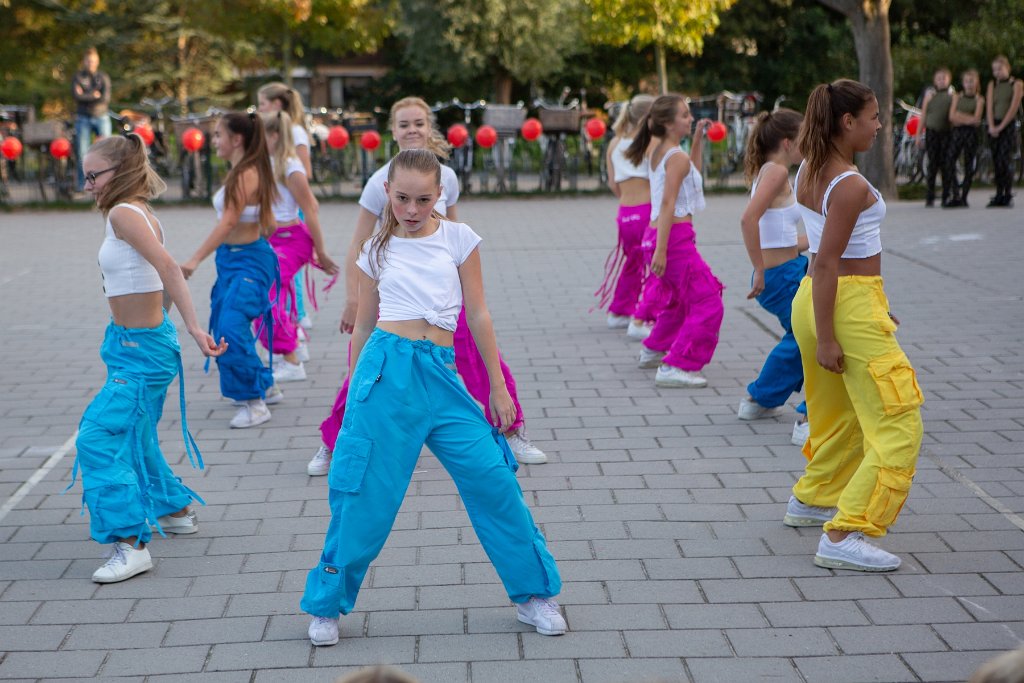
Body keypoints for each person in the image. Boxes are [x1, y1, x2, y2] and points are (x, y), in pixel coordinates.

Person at [301, 149, 565, 647]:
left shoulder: (459, 240)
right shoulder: (375, 249)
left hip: (445, 378)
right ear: (388, 194)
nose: (413, 208)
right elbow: (362, 325)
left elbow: (479, 315)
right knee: (365, 498)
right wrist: (354, 393)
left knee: (493, 477)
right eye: (402, 198)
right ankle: (327, 605)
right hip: (387, 373)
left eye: (423, 199)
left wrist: (497, 385)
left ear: (440, 193)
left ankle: (534, 594)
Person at [308, 96, 546, 477]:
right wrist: (353, 297)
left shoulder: (445, 177)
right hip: (398, 298)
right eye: (404, 124)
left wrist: (463, 290)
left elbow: (453, 232)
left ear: (429, 127)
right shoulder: (378, 183)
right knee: (370, 364)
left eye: (419, 123)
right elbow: (359, 243)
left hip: (444, 299)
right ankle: (336, 440)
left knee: (484, 356)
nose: (412, 130)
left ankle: (511, 427)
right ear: (393, 131)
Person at [73, 133, 226, 583]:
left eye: (93, 176)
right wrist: (166, 328)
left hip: (142, 351)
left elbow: (169, 269)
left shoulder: (125, 212)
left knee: (97, 438)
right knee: (136, 435)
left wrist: (194, 329)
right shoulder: (131, 213)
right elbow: (155, 277)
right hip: (133, 344)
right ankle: (173, 509)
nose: (87, 186)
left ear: (118, 173)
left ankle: (130, 543)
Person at [786, 79, 924, 572]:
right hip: (837, 301)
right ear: (848, 122)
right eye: (874, 117)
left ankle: (811, 499)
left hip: (822, 301)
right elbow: (827, 262)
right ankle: (846, 534)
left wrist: (869, 305)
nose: (880, 125)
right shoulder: (849, 185)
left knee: (839, 416)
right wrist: (832, 334)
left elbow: (824, 256)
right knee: (898, 423)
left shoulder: (809, 167)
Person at [179, 112, 280, 429]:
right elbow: (264, 221)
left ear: (237, 139)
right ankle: (264, 384)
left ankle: (255, 402)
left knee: (229, 327)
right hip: (233, 259)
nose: (215, 141)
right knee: (225, 321)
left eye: (219, 135)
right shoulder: (246, 170)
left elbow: (229, 222)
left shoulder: (246, 173)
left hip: (248, 261)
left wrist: (194, 259)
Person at [624, 95, 724, 388]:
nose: (690, 118)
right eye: (684, 115)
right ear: (668, 124)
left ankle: (653, 349)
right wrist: (662, 251)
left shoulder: (662, 152)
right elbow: (669, 203)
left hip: (660, 236)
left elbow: (691, 177)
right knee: (709, 302)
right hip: (672, 240)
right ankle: (676, 365)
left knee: (679, 301)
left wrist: (696, 141)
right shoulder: (674, 157)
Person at [737, 108, 812, 446]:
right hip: (779, 277)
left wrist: (817, 239)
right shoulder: (778, 172)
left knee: (802, 336)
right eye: (804, 137)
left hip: (789, 269)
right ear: (787, 142)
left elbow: (777, 235)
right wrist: (759, 271)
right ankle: (811, 418)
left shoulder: (773, 171)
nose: (809, 143)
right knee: (812, 336)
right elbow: (748, 220)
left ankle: (760, 400)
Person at [257, 110, 338, 383]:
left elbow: (310, 208)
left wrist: (322, 251)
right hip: (271, 240)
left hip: (292, 240)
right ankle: (295, 344)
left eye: (260, 135)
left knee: (266, 297)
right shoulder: (264, 163)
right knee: (272, 296)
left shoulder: (291, 167)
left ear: (274, 135)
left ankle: (291, 359)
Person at [258, 83, 316, 331]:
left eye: (262, 105)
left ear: (276, 105)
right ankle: (293, 315)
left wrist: (287, 176)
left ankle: (298, 315)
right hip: (278, 210)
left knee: (286, 268)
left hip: (293, 208)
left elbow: (305, 171)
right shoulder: (279, 134)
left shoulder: (294, 133)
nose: (259, 110)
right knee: (280, 268)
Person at [595, 94, 654, 330]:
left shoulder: (614, 143)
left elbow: (612, 183)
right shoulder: (650, 144)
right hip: (647, 211)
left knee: (632, 262)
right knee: (654, 265)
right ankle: (646, 315)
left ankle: (619, 311)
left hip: (625, 213)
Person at [72, 47, 113, 190]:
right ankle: (82, 185)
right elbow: (77, 97)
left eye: (93, 61)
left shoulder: (103, 77)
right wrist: (93, 95)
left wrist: (86, 95)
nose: (91, 63)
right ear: (84, 61)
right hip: (83, 117)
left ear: (97, 61)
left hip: (101, 116)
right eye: (88, 61)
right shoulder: (78, 77)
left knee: (107, 151)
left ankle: (108, 183)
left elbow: (105, 98)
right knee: (82, 153)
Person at [985, 56, 1023, 207]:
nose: (997, 73)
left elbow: (1013, 108)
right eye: (994, 70)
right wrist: (991, 125)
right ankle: (999, 192)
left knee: (1004, 158)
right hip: (994, 123)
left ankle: (1007, 193)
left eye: (1000, 69)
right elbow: (989, 106)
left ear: (1008, 68)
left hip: (1008, 124)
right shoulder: (992, 84)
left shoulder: (1016, 84)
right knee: (995, 159)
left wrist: (1001, 127)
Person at [916, 68, 955, 207]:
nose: (941, 81)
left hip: (946, 133)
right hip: (932, 133)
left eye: (944, 78)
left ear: (949, 80)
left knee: (946, 164)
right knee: (932, 164)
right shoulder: (930, 96)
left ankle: (946, 195)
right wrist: (918, 135)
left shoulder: (952, 95)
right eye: (939, 78)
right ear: (934, 81)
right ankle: (930, 195)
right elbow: (924, 115)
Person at [947, 69, 985, 208]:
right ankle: (955, 193)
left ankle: (964, 197)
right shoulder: (957, 96)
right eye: (967, 81)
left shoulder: (979, 99)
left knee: (969, 164)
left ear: (976, 82)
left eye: (972, 81)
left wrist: (960, 116)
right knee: (950, 160)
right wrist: (968, 119)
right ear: (963, 83)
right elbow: (951, 117)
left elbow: (977, 119)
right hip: (957, 133)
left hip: (971, 134)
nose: (969, 84)